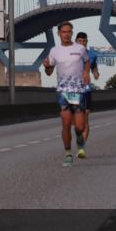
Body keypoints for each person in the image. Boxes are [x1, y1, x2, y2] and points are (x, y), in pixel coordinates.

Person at [42, 21, 91, 167]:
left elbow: (87, 62)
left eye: (69, 32)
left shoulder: (80, 48)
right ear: (59, 34)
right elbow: (49, 71)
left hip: (78, 90)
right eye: (64, 32)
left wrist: (86, 72)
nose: (66, 34)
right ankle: (68, 153)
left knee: (80, 127)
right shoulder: (54, 51)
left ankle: (79, 140)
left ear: (72, 33)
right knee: (66, 123)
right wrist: (46, 67)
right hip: (63, 91)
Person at [75, 32, 100, 143]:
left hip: (85, 90)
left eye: (84, 41)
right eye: (79, 41)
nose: (82, 43)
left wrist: (95, 74)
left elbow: (94, 69)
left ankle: (82, 146)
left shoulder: (92, 55)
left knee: (85, 118)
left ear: (87, 42)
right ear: (76, 42)